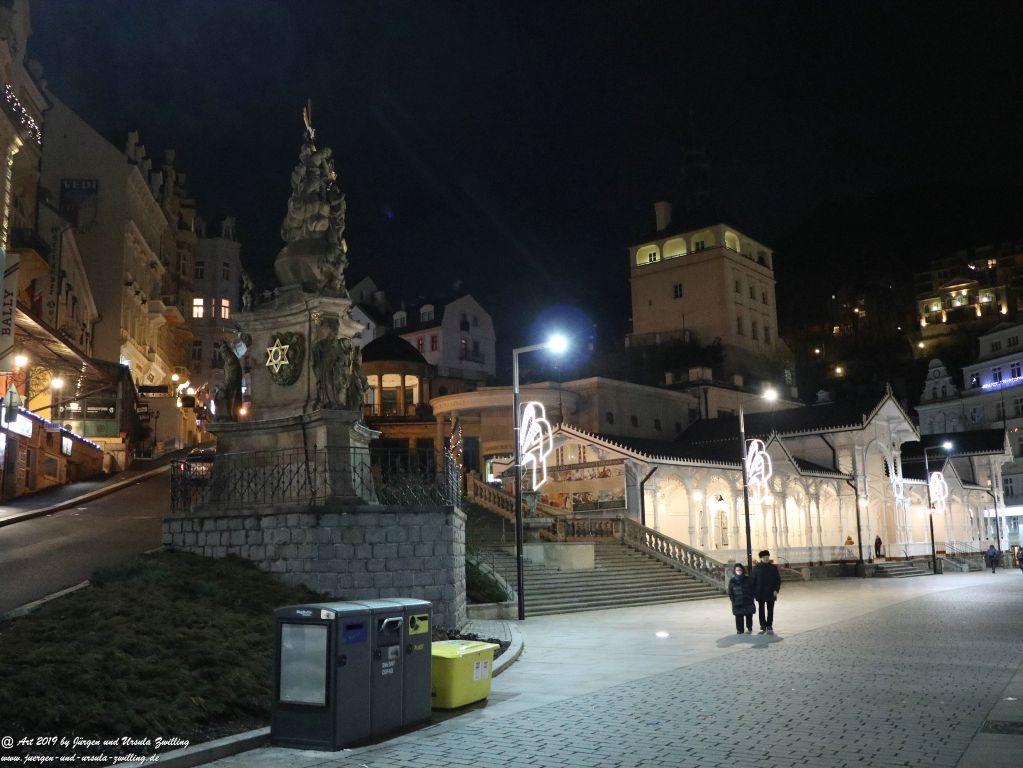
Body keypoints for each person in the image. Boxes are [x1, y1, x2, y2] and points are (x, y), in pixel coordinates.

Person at [751, 549, 781, 634]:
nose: (766, 558)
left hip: (771, 592)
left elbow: (777, 580)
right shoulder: (756, 568)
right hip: (760, 592)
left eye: (767, 557)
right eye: (764, 557)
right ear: (761, 558)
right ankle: (763, 625)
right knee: (761, 609)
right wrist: (754, 593)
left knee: (770, 609)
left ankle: (769, 624)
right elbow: (753, 581)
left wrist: (776, 590)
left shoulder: (773, 567)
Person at [728, 563, 755, 635]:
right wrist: (733, 600)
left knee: (749, 615)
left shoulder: (748, 579)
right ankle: (740, 630)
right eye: (737, 570)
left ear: (742, 570)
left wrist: (751, 597)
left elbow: (752, 589)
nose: (739, 571)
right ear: (735, 571)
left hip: (748, 600)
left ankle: (749, 627)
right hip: (737, 601)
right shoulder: (732, 580)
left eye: (740, 569)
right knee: (738, 616)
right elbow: (730, 592)